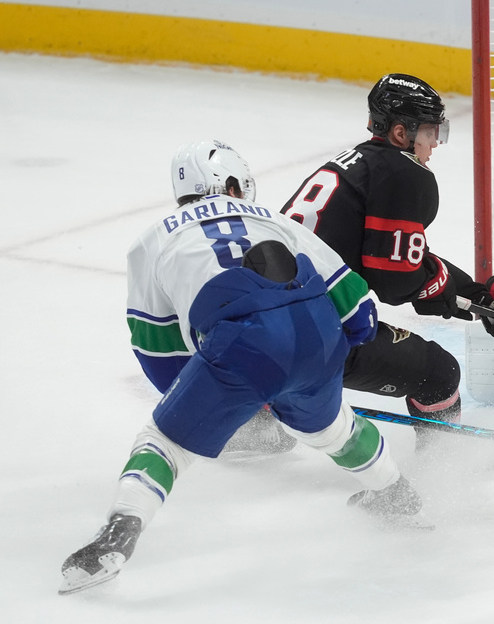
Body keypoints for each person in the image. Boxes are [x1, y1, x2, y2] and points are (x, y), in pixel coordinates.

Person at [59, 140, 426, 596]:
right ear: (232, 184)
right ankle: (395, 494)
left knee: (163, 444)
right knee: (334, 431)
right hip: (317, 332)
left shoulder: (151, 240)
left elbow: (157, 352)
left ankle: (118, 534)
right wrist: (322, 361)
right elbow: (360, 314)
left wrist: (231, 397)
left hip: (241, 344)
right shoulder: (272, 218)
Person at [282, 73, 494, 443]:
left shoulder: (354, 164)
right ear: (401, 133)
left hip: (259, 326)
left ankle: (260, 420)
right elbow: (396, 280)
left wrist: (477, 293)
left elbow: (396, 257)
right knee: (439, 373)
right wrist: (462, 297)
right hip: (307, 337)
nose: (435, 143)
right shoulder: (405, 173)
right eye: (431, 132)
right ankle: (446, 463)